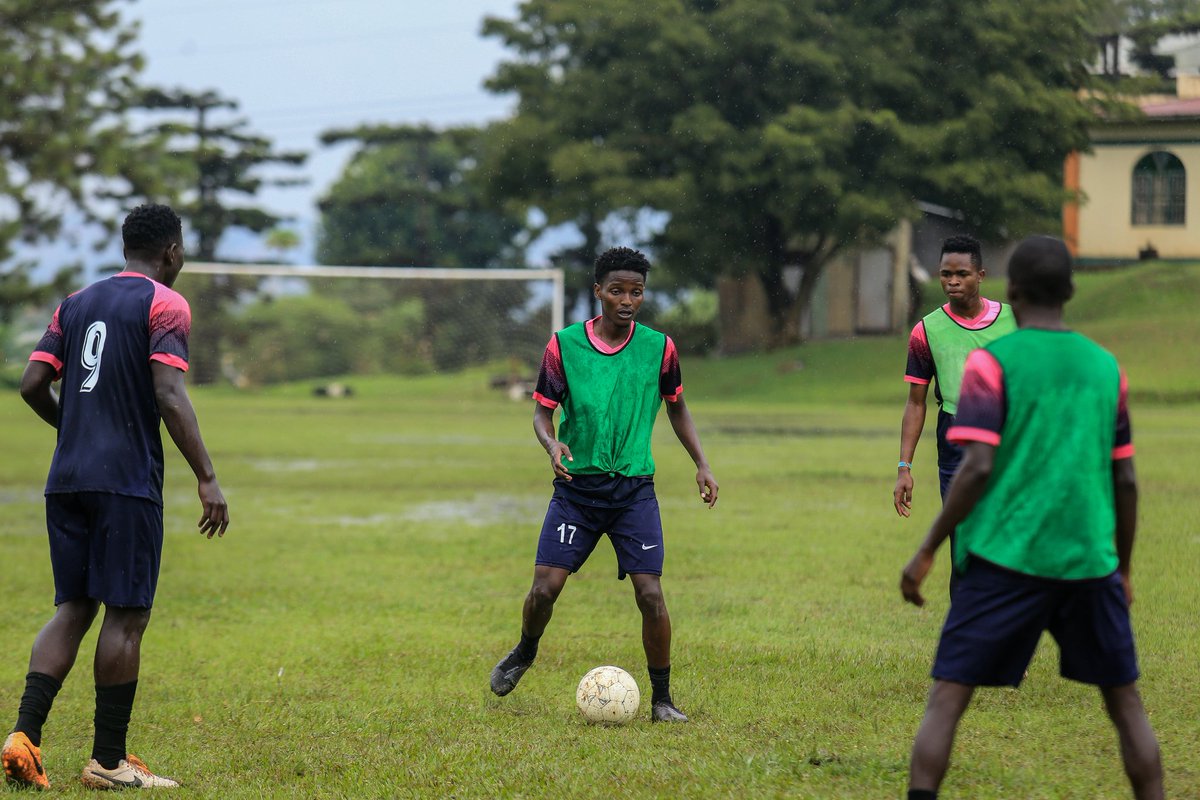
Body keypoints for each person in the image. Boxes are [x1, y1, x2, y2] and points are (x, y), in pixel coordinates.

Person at [899, 236, 1162, 800]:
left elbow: (975, 469)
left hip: (1005, 558)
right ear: (1070, 291)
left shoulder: (992, 363)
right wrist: (1124, 568)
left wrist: (927, 549)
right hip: (1088, 559)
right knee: (1126, 704)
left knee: (947, 699)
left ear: (1010, 290)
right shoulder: (1105, 367)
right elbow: (1128, 480)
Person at [2, 204, 230, 790]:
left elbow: (31, 383)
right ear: (172, 252)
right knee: (126, 616)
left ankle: (23, 736)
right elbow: (169, 393)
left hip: (68, 477)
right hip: (125, 482)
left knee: (73, 607)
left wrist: (74, 429)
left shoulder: (74, 302)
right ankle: (108, 762)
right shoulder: (165, 302)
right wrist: (206, 476)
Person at [489, 246, 718, 723]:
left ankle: (662, 700)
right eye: (617, 291)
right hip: (577, 491)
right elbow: (541, 413)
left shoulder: (660, 348)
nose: (627, 300)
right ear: (598, 292)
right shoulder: (564, 346)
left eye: (636, 291)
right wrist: (552, 445)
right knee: (544, 591)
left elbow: (677, 406)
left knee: (651, 594)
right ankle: (525, 651)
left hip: (634, 490)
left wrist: (702, 463)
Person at [894, 235, 1016, 519]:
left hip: (1005, 436)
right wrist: (904, 468)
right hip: (953, 439)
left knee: (1004, 533)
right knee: (960, 535)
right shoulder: (925, 331)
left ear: (980, 275)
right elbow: (915, 403)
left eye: (962, 274)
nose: (953, 281)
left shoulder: (1014, 322)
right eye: (946, 274)